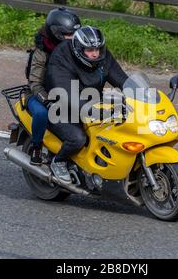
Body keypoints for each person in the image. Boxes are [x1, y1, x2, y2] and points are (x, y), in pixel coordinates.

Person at [45, 26, 128, 183]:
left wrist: (143, 94)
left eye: (97, 48)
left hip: (91, 103)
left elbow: (121, 78)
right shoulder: (61, 57)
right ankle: (59, 162)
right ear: (79, 48)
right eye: (89, 50)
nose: (95, 53)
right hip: (60, 107)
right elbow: (65, 93)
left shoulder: (101, 57)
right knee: (78, 139)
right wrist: (91, 110)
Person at [24, 7, 81, 165]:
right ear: (56, 33)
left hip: (65, 93)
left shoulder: (75, 49)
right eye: (68, 34)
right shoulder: (42, 52)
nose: (72, 38)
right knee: (42, 114)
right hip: (40, 94)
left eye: (74, 34)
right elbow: (34, 83)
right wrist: (48, 101)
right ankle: (36, 147)